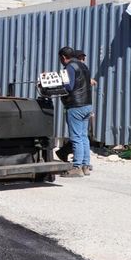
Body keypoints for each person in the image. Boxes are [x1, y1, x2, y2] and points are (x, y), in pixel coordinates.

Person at [58, 46, 93, 177]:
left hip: (75, 106)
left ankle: (77, 167)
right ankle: (85, 166)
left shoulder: (69, 68)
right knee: (83, 136)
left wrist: (56, 83)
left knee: (76, 137)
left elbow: (68, 86)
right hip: (87, 104)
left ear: (63, 57)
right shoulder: (83, 66)